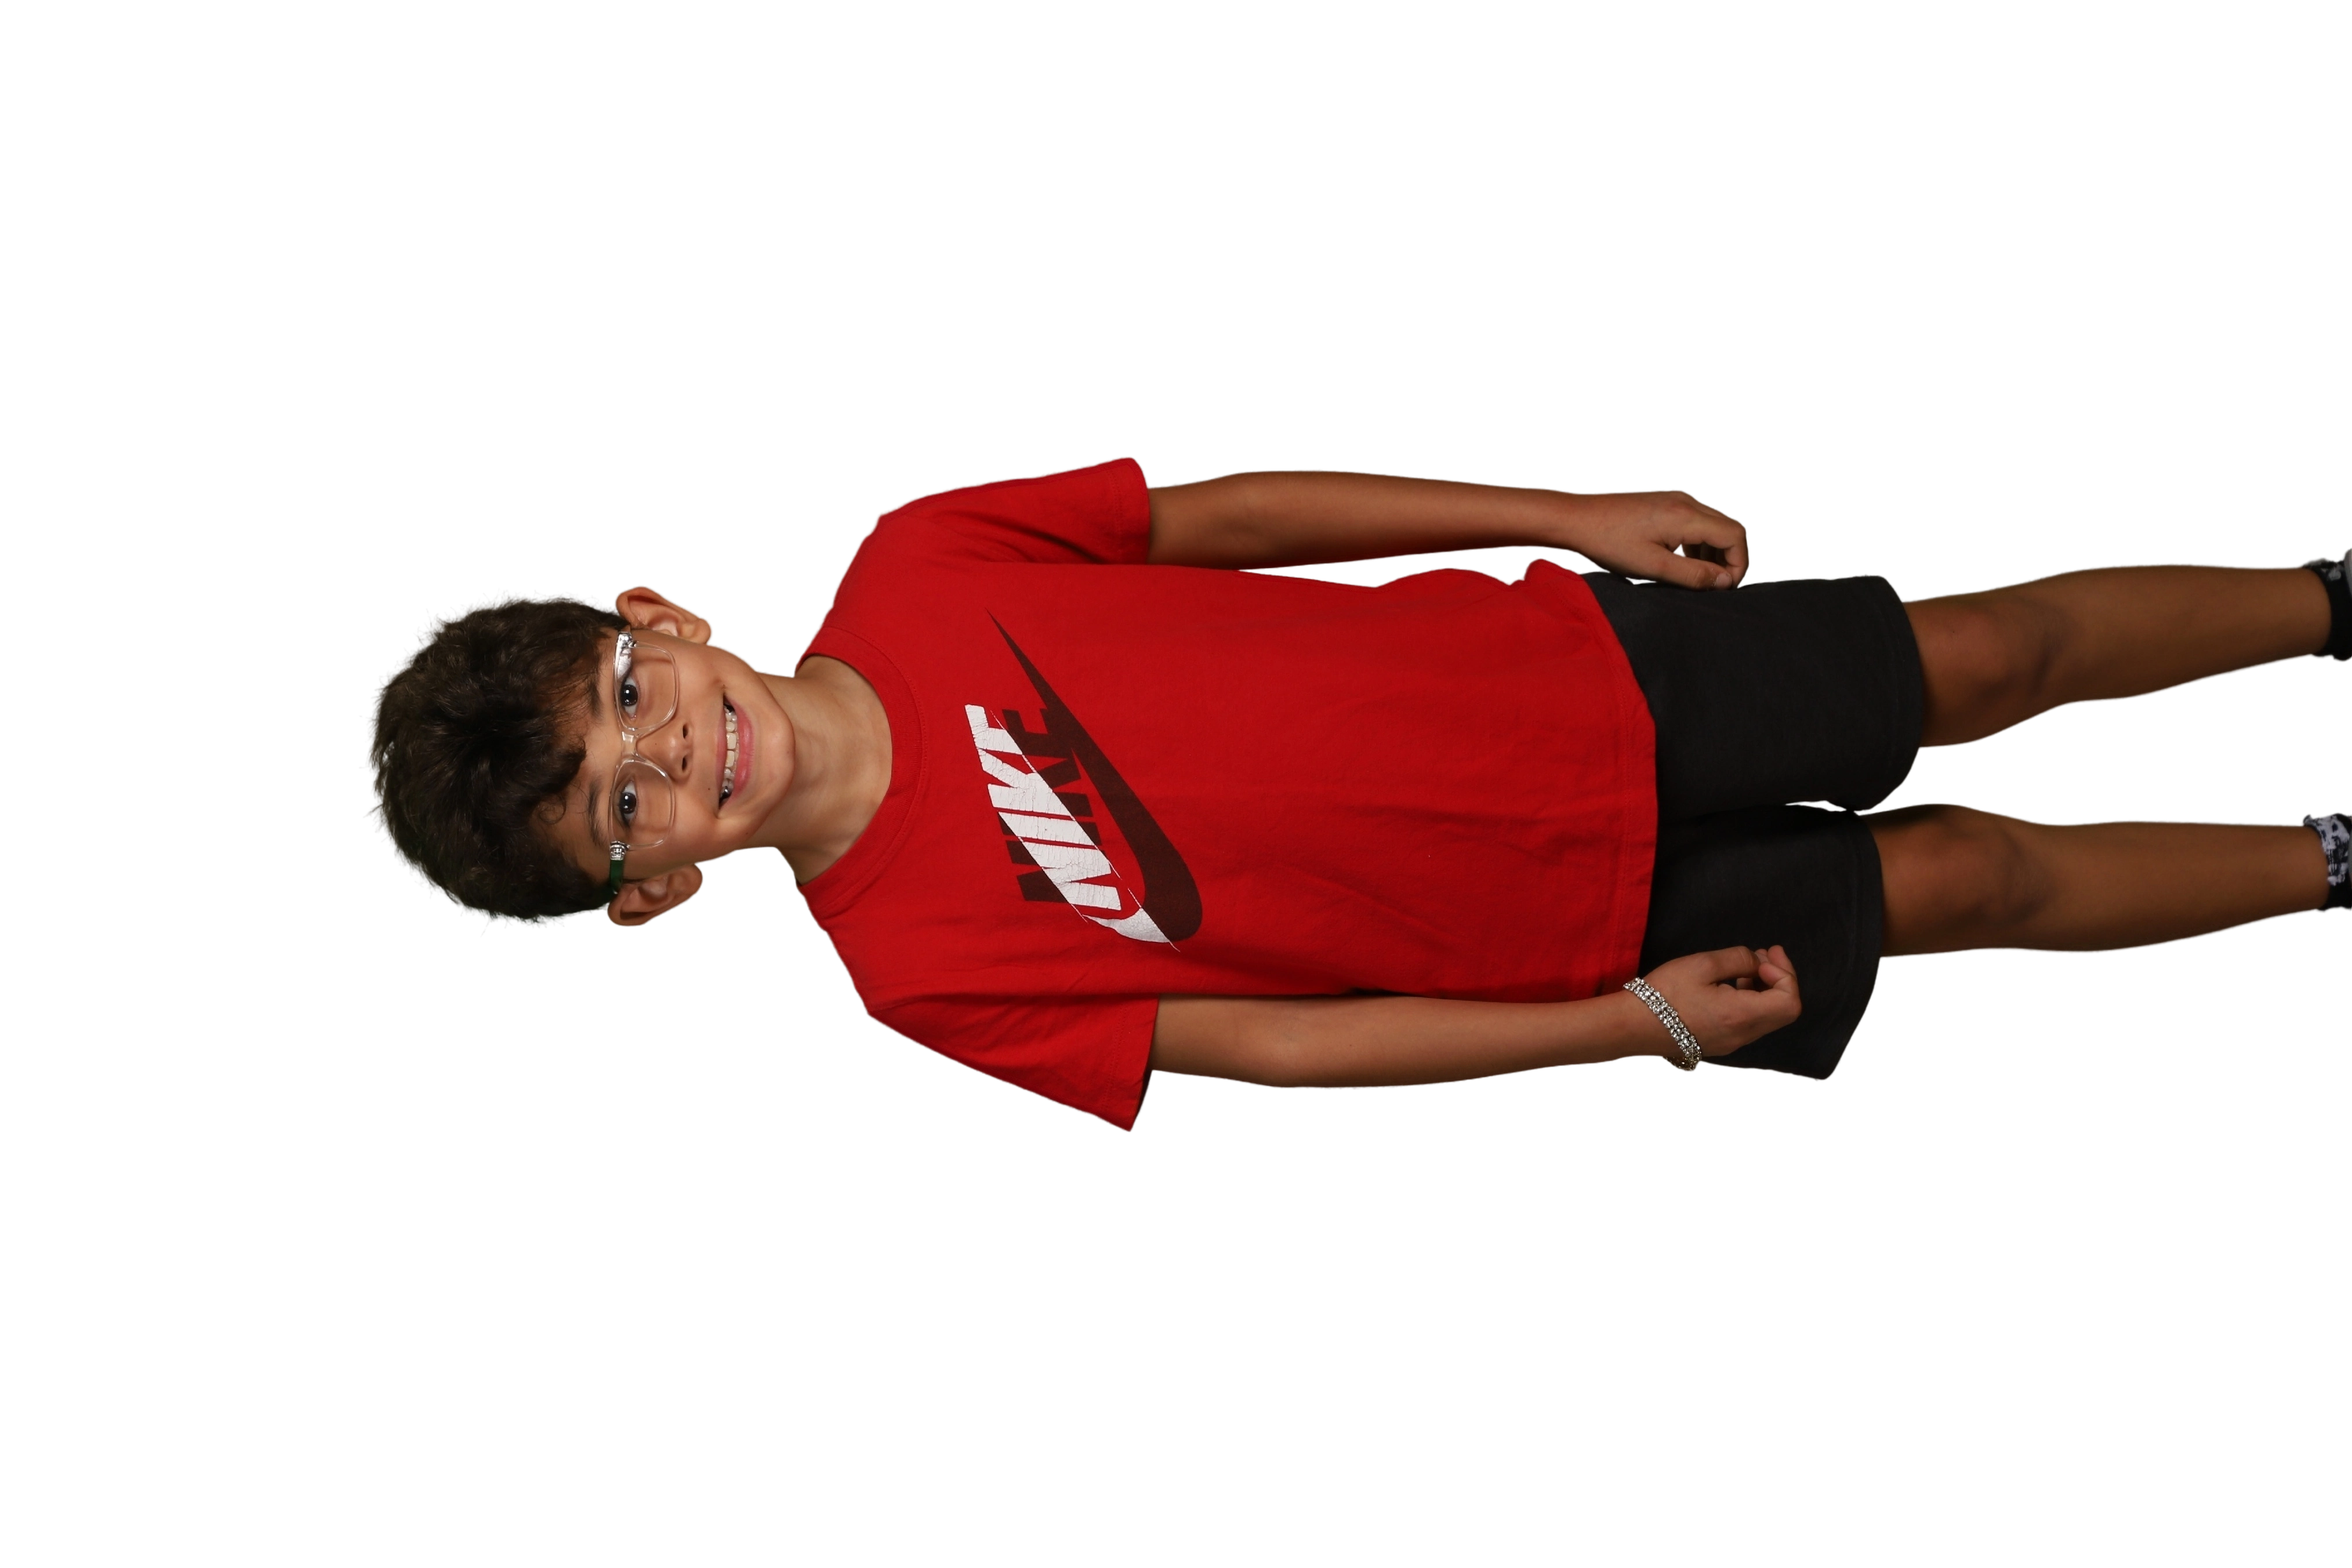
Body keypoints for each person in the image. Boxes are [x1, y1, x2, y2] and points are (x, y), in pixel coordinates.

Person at [360, 456, 2352, 1133]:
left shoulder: (922, 556)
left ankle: (2327, 600)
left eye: (628, 697)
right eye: (622, 811)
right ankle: (2329, 858)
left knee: (1989, 659)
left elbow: (1237, 520)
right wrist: (1631, 1026)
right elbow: (1280, 1047)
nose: (668, 753)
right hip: (1572, 933)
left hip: (1586, 677)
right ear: (650, 894)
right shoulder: (917, 980)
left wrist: (1556, 517)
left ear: (659, 619)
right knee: (1977, 888)